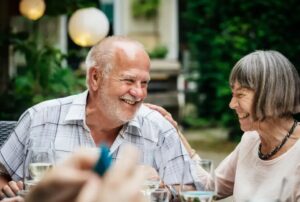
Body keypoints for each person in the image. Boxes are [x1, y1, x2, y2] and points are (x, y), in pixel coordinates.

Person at [0, 36, 199, 199]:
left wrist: (161, 188)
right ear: (95, 78)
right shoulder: (40, 118)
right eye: (129, 80)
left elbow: (193, 190)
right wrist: (5, 189)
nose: (139, 93)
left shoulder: (158, 128)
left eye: (144, 83)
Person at [147, 50, 300, 201]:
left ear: (271, 95)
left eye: (240, 95)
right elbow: (208, 188)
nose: (232, 104)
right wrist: (175, 133)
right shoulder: (251, 140)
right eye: (232, 94)